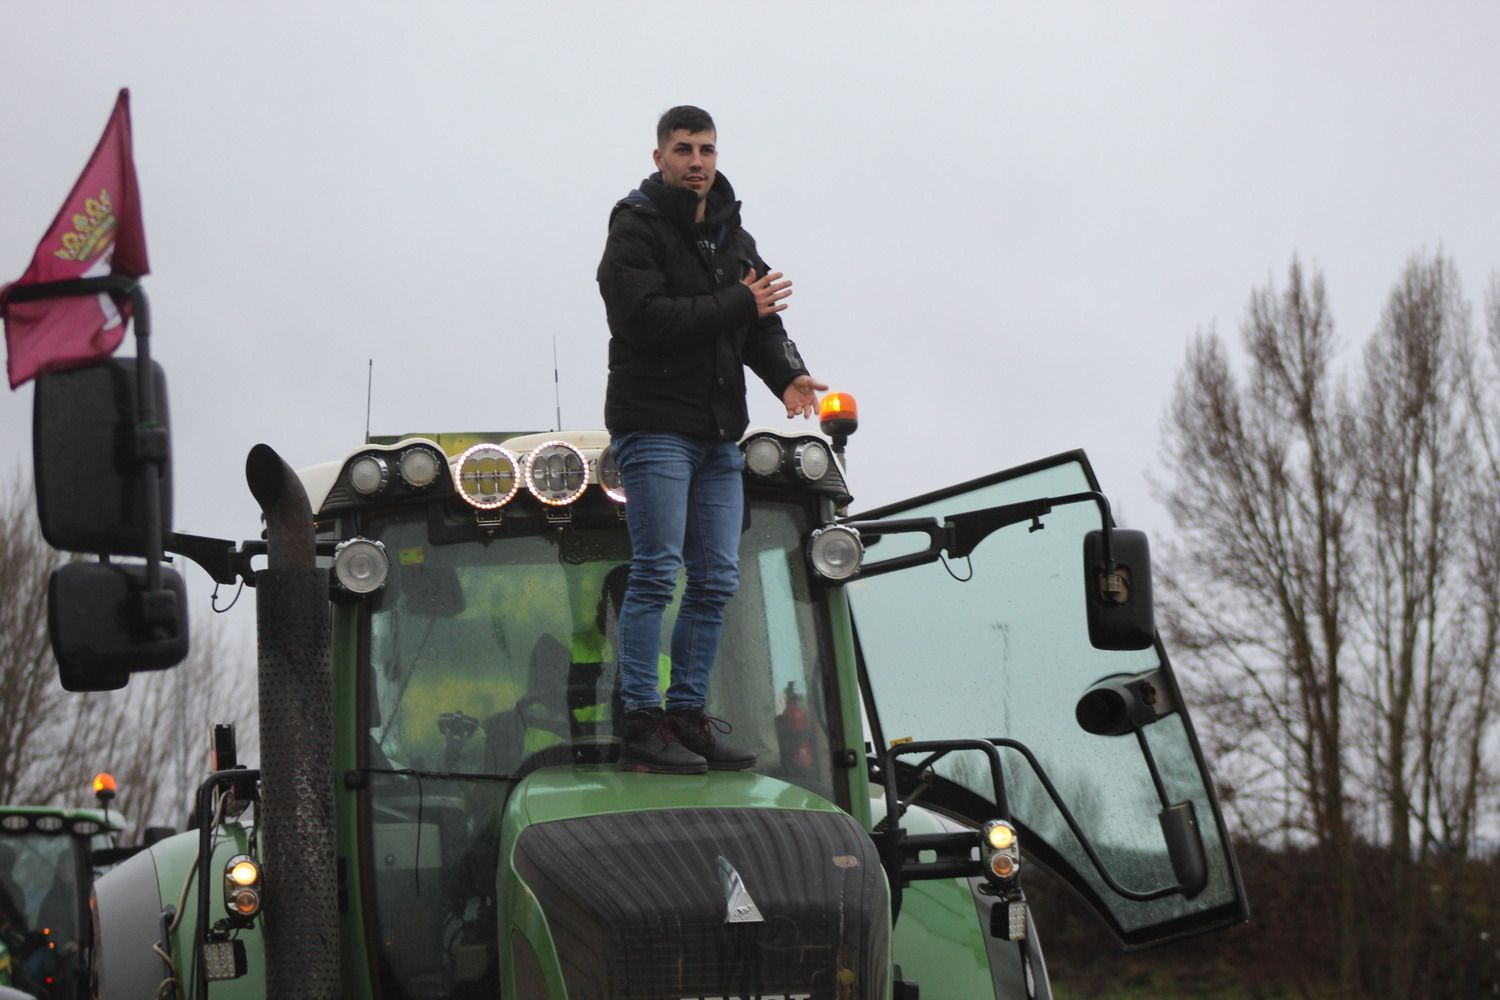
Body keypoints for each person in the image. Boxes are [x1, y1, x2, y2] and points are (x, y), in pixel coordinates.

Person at [597, 105, 826, 774]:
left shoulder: (732, 237)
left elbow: (761, 323)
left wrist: (788, 375)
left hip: (718, 436)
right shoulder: (634, 229)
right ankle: (642, 718)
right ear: (658, 157)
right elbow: (645, 320)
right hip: (655, 428)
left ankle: (688, 715)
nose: (697, 160)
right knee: (657, 570)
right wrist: (739, 306)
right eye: (684, 148)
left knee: (718, 576)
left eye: (707, 149)